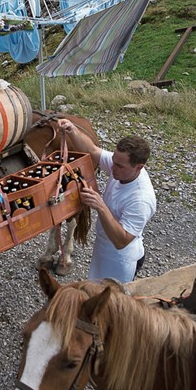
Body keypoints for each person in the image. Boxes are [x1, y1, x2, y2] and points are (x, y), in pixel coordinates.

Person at [57, 118, 156, 283]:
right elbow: (92, 150)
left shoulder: (141, 199)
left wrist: (101, 206)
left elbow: (121, 241)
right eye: (114, 162)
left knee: (112, 303)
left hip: (121, 259)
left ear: (139, 167)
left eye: (119, 166)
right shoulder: (120, 164)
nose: (112, 167)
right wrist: (72, 130)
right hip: (103, 248)